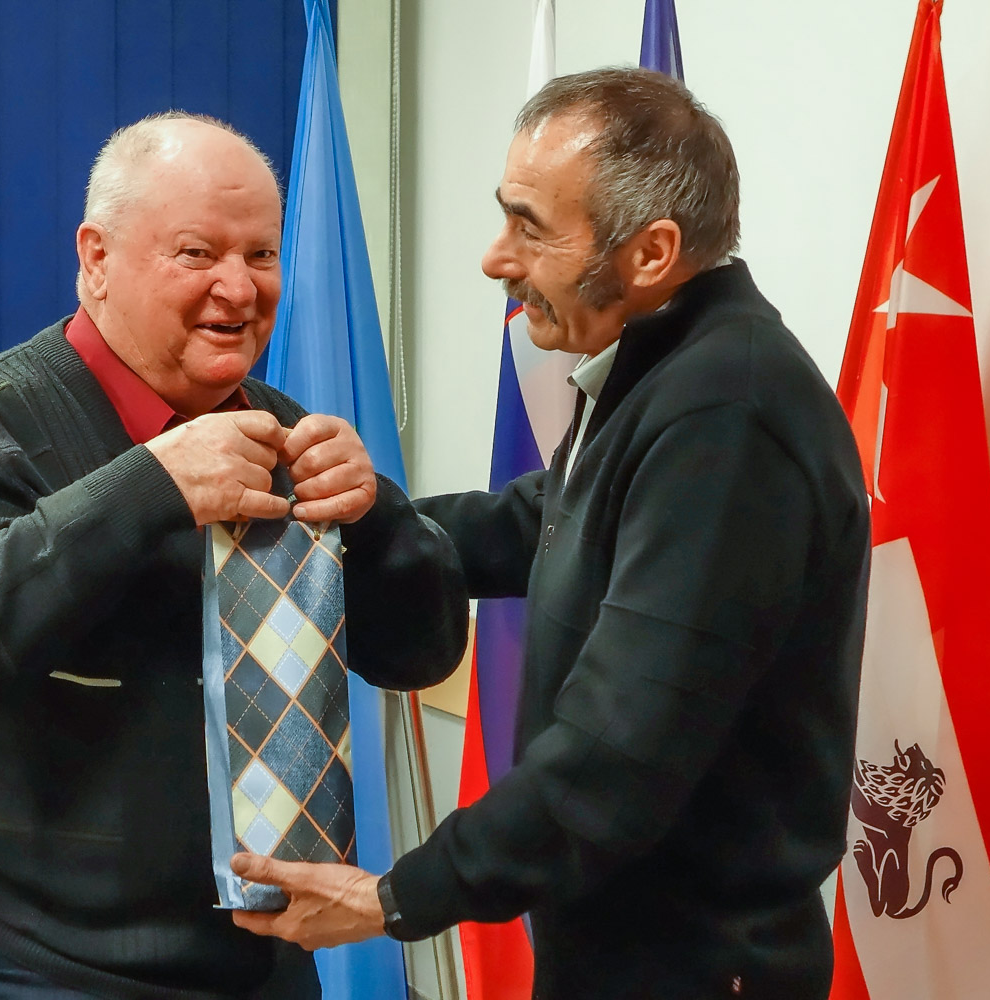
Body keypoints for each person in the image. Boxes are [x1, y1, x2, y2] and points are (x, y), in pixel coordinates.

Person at [230, 67, 872, 999]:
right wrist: (362, 514)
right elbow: (544, 516)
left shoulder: (727, 414)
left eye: (530, 228)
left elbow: (618, 753)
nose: (497, 259)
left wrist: (396, 898)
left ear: (651, 253)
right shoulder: (666, 369)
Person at [0, 112, 469, 1000]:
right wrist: (147, 487)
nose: (239, 286)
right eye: (197, 253)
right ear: (97, 258)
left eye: (261, 255)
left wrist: (378, 517)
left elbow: (421, 654)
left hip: (266, 956)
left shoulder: (283, 428)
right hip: (38, 966)